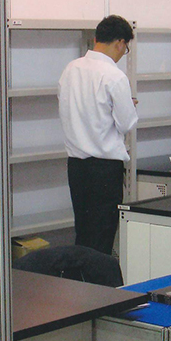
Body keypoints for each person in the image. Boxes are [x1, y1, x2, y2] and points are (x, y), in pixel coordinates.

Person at [58, 15, 138, 255]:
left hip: (76, 167)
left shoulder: (70, 69)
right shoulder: (114, 75)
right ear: (120, 43)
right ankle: (97, 279)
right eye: (125, 48)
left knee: (83, 233)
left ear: (96, 39)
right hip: (104, 170)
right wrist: (128, 105)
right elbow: (126, 123)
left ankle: (81, 278)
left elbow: (71, 108)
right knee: (102, 237)